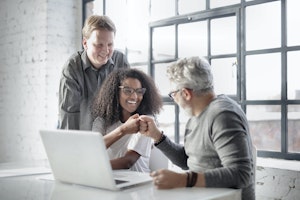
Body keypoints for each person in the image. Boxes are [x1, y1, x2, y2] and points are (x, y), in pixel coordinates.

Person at [139, 56, 255, 200]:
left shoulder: (223, 115)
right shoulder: (196, 116)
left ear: (186, 93)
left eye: (173, 94)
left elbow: (241, 174)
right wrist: (157, 136)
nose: (174, 99)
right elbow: (187, 161)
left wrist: (183, 180)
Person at [58, 15, 129, 130]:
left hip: (115, 137)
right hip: (84, 138)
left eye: (110, 44)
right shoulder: (72, 68)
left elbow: (130, 102)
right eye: (99, 44)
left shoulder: (120, 61)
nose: (106, 50)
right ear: (85, 43)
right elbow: (69, 115)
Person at [91, 68, 163, 172]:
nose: (134, 96)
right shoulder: (101, 121)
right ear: (115, 92)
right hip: (109, 178)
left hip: (138, 182)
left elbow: (128, 162)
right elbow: (94, 149)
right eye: (127, 90)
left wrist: (93, 166)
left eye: (139, 91)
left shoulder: (146, 121)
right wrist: (123, 130)